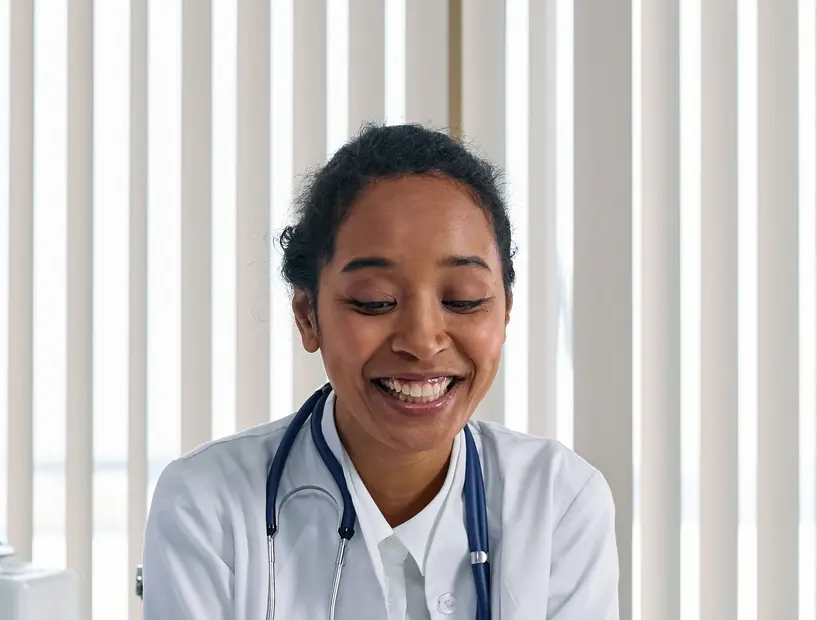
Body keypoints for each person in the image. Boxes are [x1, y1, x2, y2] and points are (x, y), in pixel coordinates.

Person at [142, 124, 619, 619]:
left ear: (504, 314)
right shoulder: (206, 506)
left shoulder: (560, 500)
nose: (422, 339)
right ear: (309, 317)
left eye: (463, 300)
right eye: (376, 301)